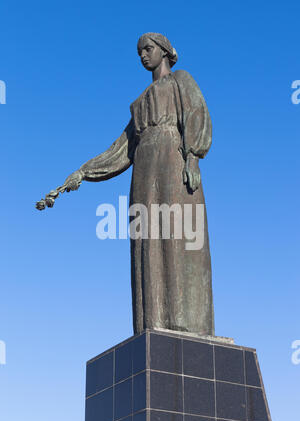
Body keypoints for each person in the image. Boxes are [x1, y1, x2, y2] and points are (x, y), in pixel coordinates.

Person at [36, 33, 214, 336]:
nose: (143, 56)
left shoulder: (181, 80)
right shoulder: (141, 104)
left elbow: (197, 114)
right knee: (148, 242)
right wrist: (83, 172)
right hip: (144, 174)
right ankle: (153, 323)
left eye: (148, 49)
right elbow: (121, 149)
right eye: (139, 52)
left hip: (173, 163)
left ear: (165, 51)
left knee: (178, 237)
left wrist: (193, 157)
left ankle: (186, 323)